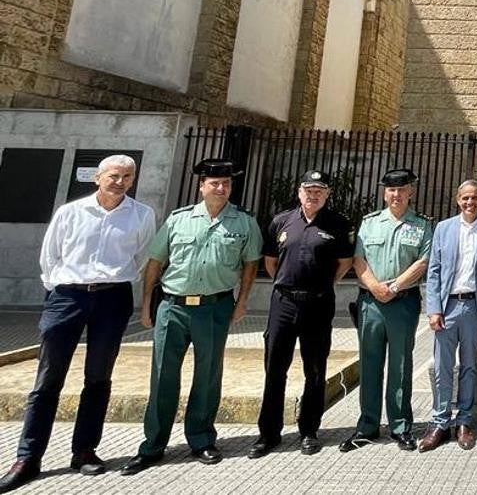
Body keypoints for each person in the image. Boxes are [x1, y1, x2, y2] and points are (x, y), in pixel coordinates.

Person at [0, 156, 155, 492]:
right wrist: (60, 287)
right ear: (98, 177)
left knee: (98, 377)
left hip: (113, 299)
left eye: (128, 176)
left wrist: (114, 280)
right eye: (114, 175)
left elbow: (140, 257)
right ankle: (28, 457)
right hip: (68, 297)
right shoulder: (70, 213)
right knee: (48, 379)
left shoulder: (142, 215)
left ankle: (84, 449)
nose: (121, 181)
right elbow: (50, 256)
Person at [121, 159, 261, 476]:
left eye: (226, 183)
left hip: (214, 307)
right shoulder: (178, 219)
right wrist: (145, 305)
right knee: (162, 376)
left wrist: (242, 303)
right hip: (173, 306)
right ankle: (153, 445)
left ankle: (201, 439)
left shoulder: (243, 222)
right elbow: (155, 263)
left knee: (208, 375)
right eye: (214, 183)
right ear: (202, 186)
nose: (221, 188)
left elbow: (251, 265)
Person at [251, 170, 354, 458]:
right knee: (274, 369)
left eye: (319, 190)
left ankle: (309, 430)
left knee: (316, 369)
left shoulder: (337, 223)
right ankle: (268, 434)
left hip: (319, 304)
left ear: (327, 194)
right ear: (299, 192)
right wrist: (288, 285)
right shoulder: (281, 221)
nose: (313, 194)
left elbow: (344, 262)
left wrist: (322, 285)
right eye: (308, 189)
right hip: (283, 303)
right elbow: (271, 262)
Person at [339, 169, 432, 453]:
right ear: (384, 193)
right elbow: (359, 259)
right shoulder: (369, 223)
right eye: (391, 190)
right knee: (369, 363)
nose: (396, 194)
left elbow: (423, 262)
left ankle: (401, 426)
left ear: (410, 192)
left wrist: (392, 288)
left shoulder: (421, 225)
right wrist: (376, 287)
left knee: (401, 365)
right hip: (370, 302)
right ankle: (367, 425)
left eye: (402, 189)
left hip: (402, 302)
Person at [418, 180, 477, 452]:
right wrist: (433, 309)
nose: (470, 203)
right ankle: (440, 422)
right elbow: (434, 270)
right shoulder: (443, 228)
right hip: (447, 307)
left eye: (475, 198)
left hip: (474, 308)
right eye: (465, 198)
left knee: (469, 367)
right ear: (458, 200)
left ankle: (464, 421)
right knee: (443, 367)